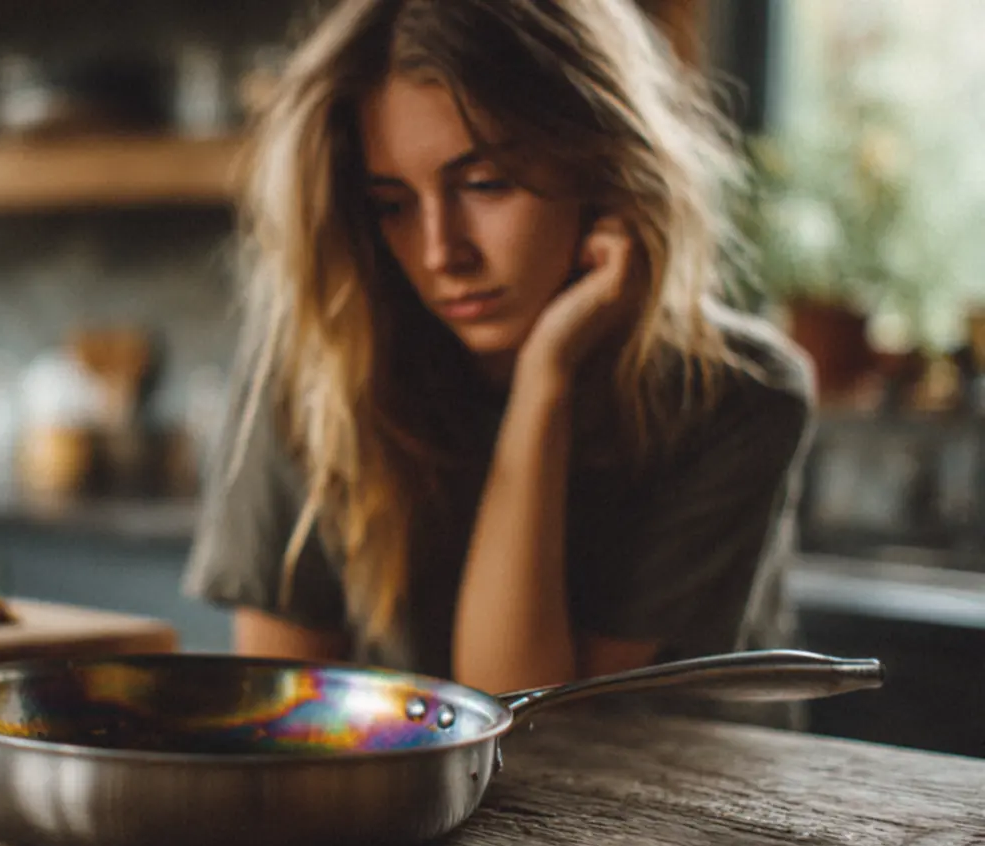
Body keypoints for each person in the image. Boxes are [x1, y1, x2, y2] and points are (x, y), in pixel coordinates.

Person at [183, 0, 815, 713]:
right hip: (400, 823)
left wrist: (544, 382)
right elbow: (283, 721)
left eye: (485, 185)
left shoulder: (736, 398)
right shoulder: (318, 366)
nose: (440, 252)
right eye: (392, 203)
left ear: (604, 167)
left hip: (666, 819)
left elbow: (538, 729)